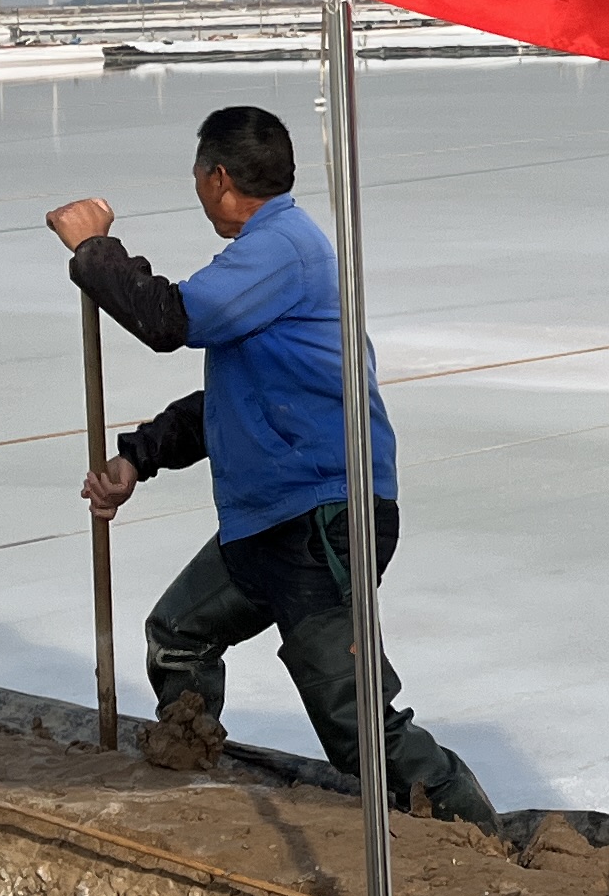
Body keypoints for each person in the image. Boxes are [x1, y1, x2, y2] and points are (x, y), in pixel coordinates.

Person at [45, 102, 498, 828]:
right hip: (269, 523)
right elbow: (234, 398)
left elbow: (167, 320)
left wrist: (94, 250)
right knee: (180, 636)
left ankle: (475, 836)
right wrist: (138, 458)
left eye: (199, 177)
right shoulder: (266, 257)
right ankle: (190, 774)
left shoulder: (281, 248)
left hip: (321, 519)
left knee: (356, 727)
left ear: (219, 179)